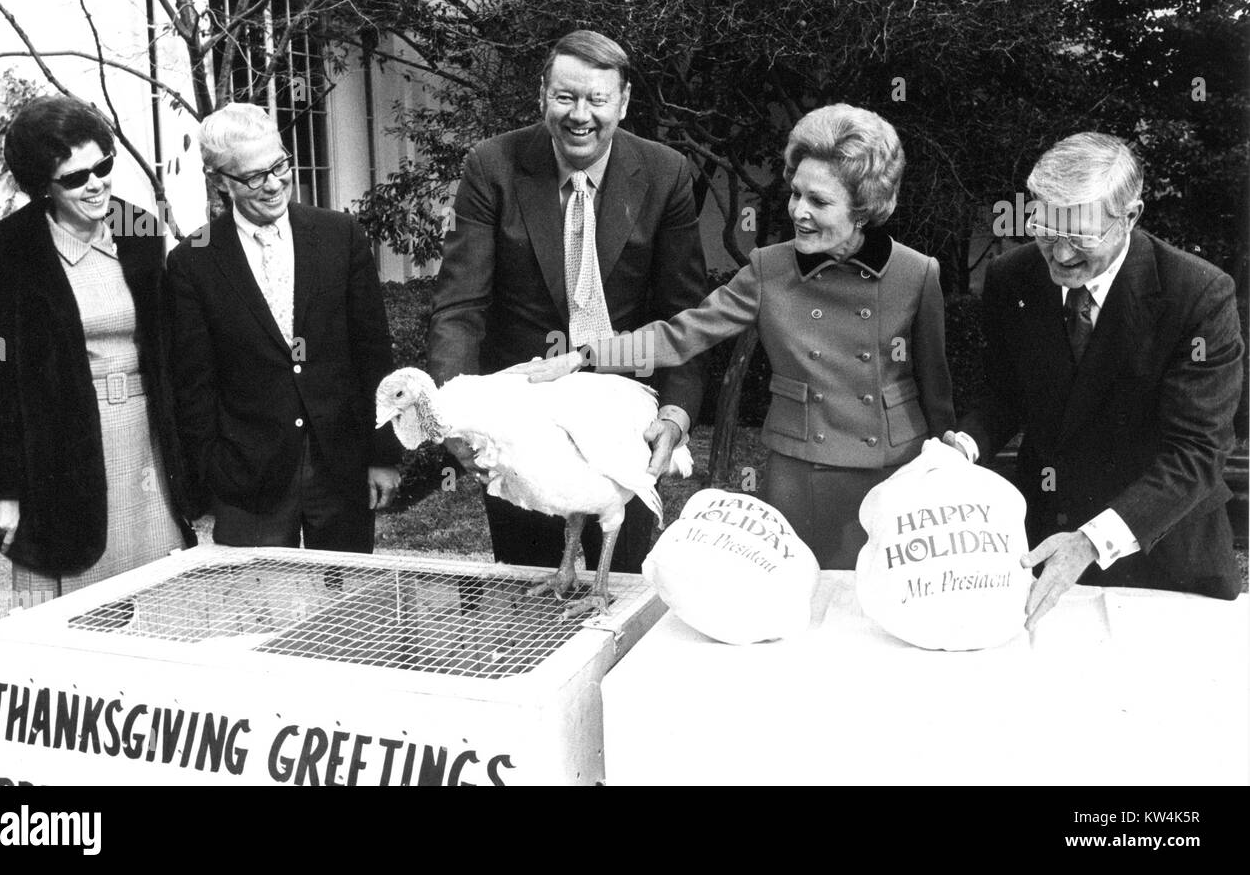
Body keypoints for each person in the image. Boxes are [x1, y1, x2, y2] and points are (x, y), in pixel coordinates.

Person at [514, 104, 956, 569]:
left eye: (819, 202)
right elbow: (684, 332)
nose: (799, 213)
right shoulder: (770, 269)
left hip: (896, 471)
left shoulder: (917, 273)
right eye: (795, 194)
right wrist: (583, 356)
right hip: (800, 470)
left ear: (864, 208)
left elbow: (935, 387)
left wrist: (948, 460)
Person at [426, 29, 708, 574]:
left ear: (622, 103)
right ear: (542, 96)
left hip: (619, 424)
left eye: (598, 99)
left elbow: (685, 316)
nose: (581, 115)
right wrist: (454, 414)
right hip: (519, 425)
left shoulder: (665, 174)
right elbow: (460, 306)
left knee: (619, 586)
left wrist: (674, 414)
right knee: (526, 591)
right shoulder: (493, 165)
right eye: (566, 97)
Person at [944, 132, 1244, 626]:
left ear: (1131, 216)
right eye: (1044, 232)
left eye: (1081, 237)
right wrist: (963, 449)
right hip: (1045, 536)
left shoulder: (1198, 294)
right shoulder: (1010, 279)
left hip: (1165, 554)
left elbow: (1197, 452)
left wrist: (1089, 542)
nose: (1060, 256)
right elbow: (1006, 396)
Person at [0, 94, 196, 594]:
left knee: (157, 600)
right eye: (74, 177)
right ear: (42, 186)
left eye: (103, 166)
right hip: (62, 450)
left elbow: (172, 355)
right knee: (77, 607)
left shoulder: (140, 230)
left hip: (145, 445)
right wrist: (2, 491)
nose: (95, 184)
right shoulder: (11, 251)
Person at [167, 103, 402, 552]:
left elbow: (374, 355)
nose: (274, 184)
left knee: (346, 612)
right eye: (255, 176)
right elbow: (193, 385)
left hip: (340, 466)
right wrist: (214, 468)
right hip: (248, 479)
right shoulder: (193, 262)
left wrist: (381, 454)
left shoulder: (341, 236)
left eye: (279, 165)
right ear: (219, 181)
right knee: (261, 613)